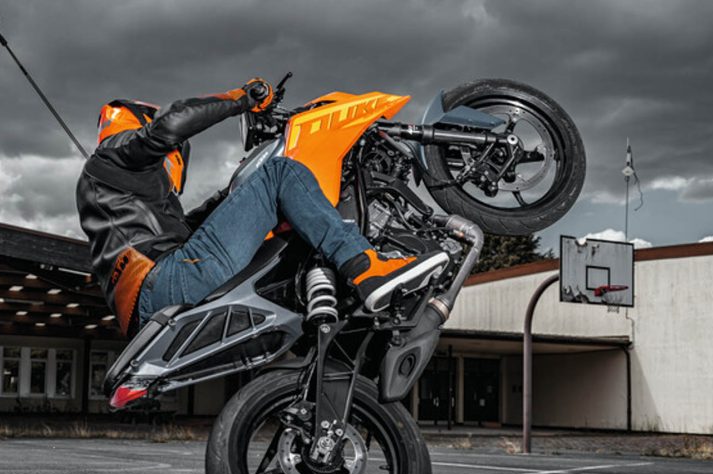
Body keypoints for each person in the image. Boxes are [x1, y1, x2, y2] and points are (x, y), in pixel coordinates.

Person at [76, 79, 449, 336]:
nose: (174, 156)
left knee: (273, 210)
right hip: (167, 283)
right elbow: (169, 127)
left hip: (149, 308)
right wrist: (244, 97)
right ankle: (366, 268)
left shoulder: (119, 192)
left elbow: (191, 232)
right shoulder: (111, 155)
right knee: (281, 173)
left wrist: (235, 194)